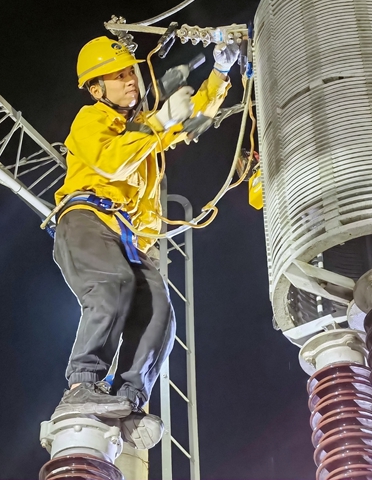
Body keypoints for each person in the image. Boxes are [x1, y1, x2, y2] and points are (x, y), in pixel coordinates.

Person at [49, 36, 237, 449]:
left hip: (129, 238)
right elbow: (110, 160)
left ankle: (129, 400)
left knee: (160, 313)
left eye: (129, 71)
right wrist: (158, 123)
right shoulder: (92, 120)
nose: (129, 79)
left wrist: (221, 73)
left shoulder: (144, 132)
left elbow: (191, 120)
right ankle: (82, 385)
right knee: (113, 283)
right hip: (86, 220)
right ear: (97, 89)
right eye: (116, 76)